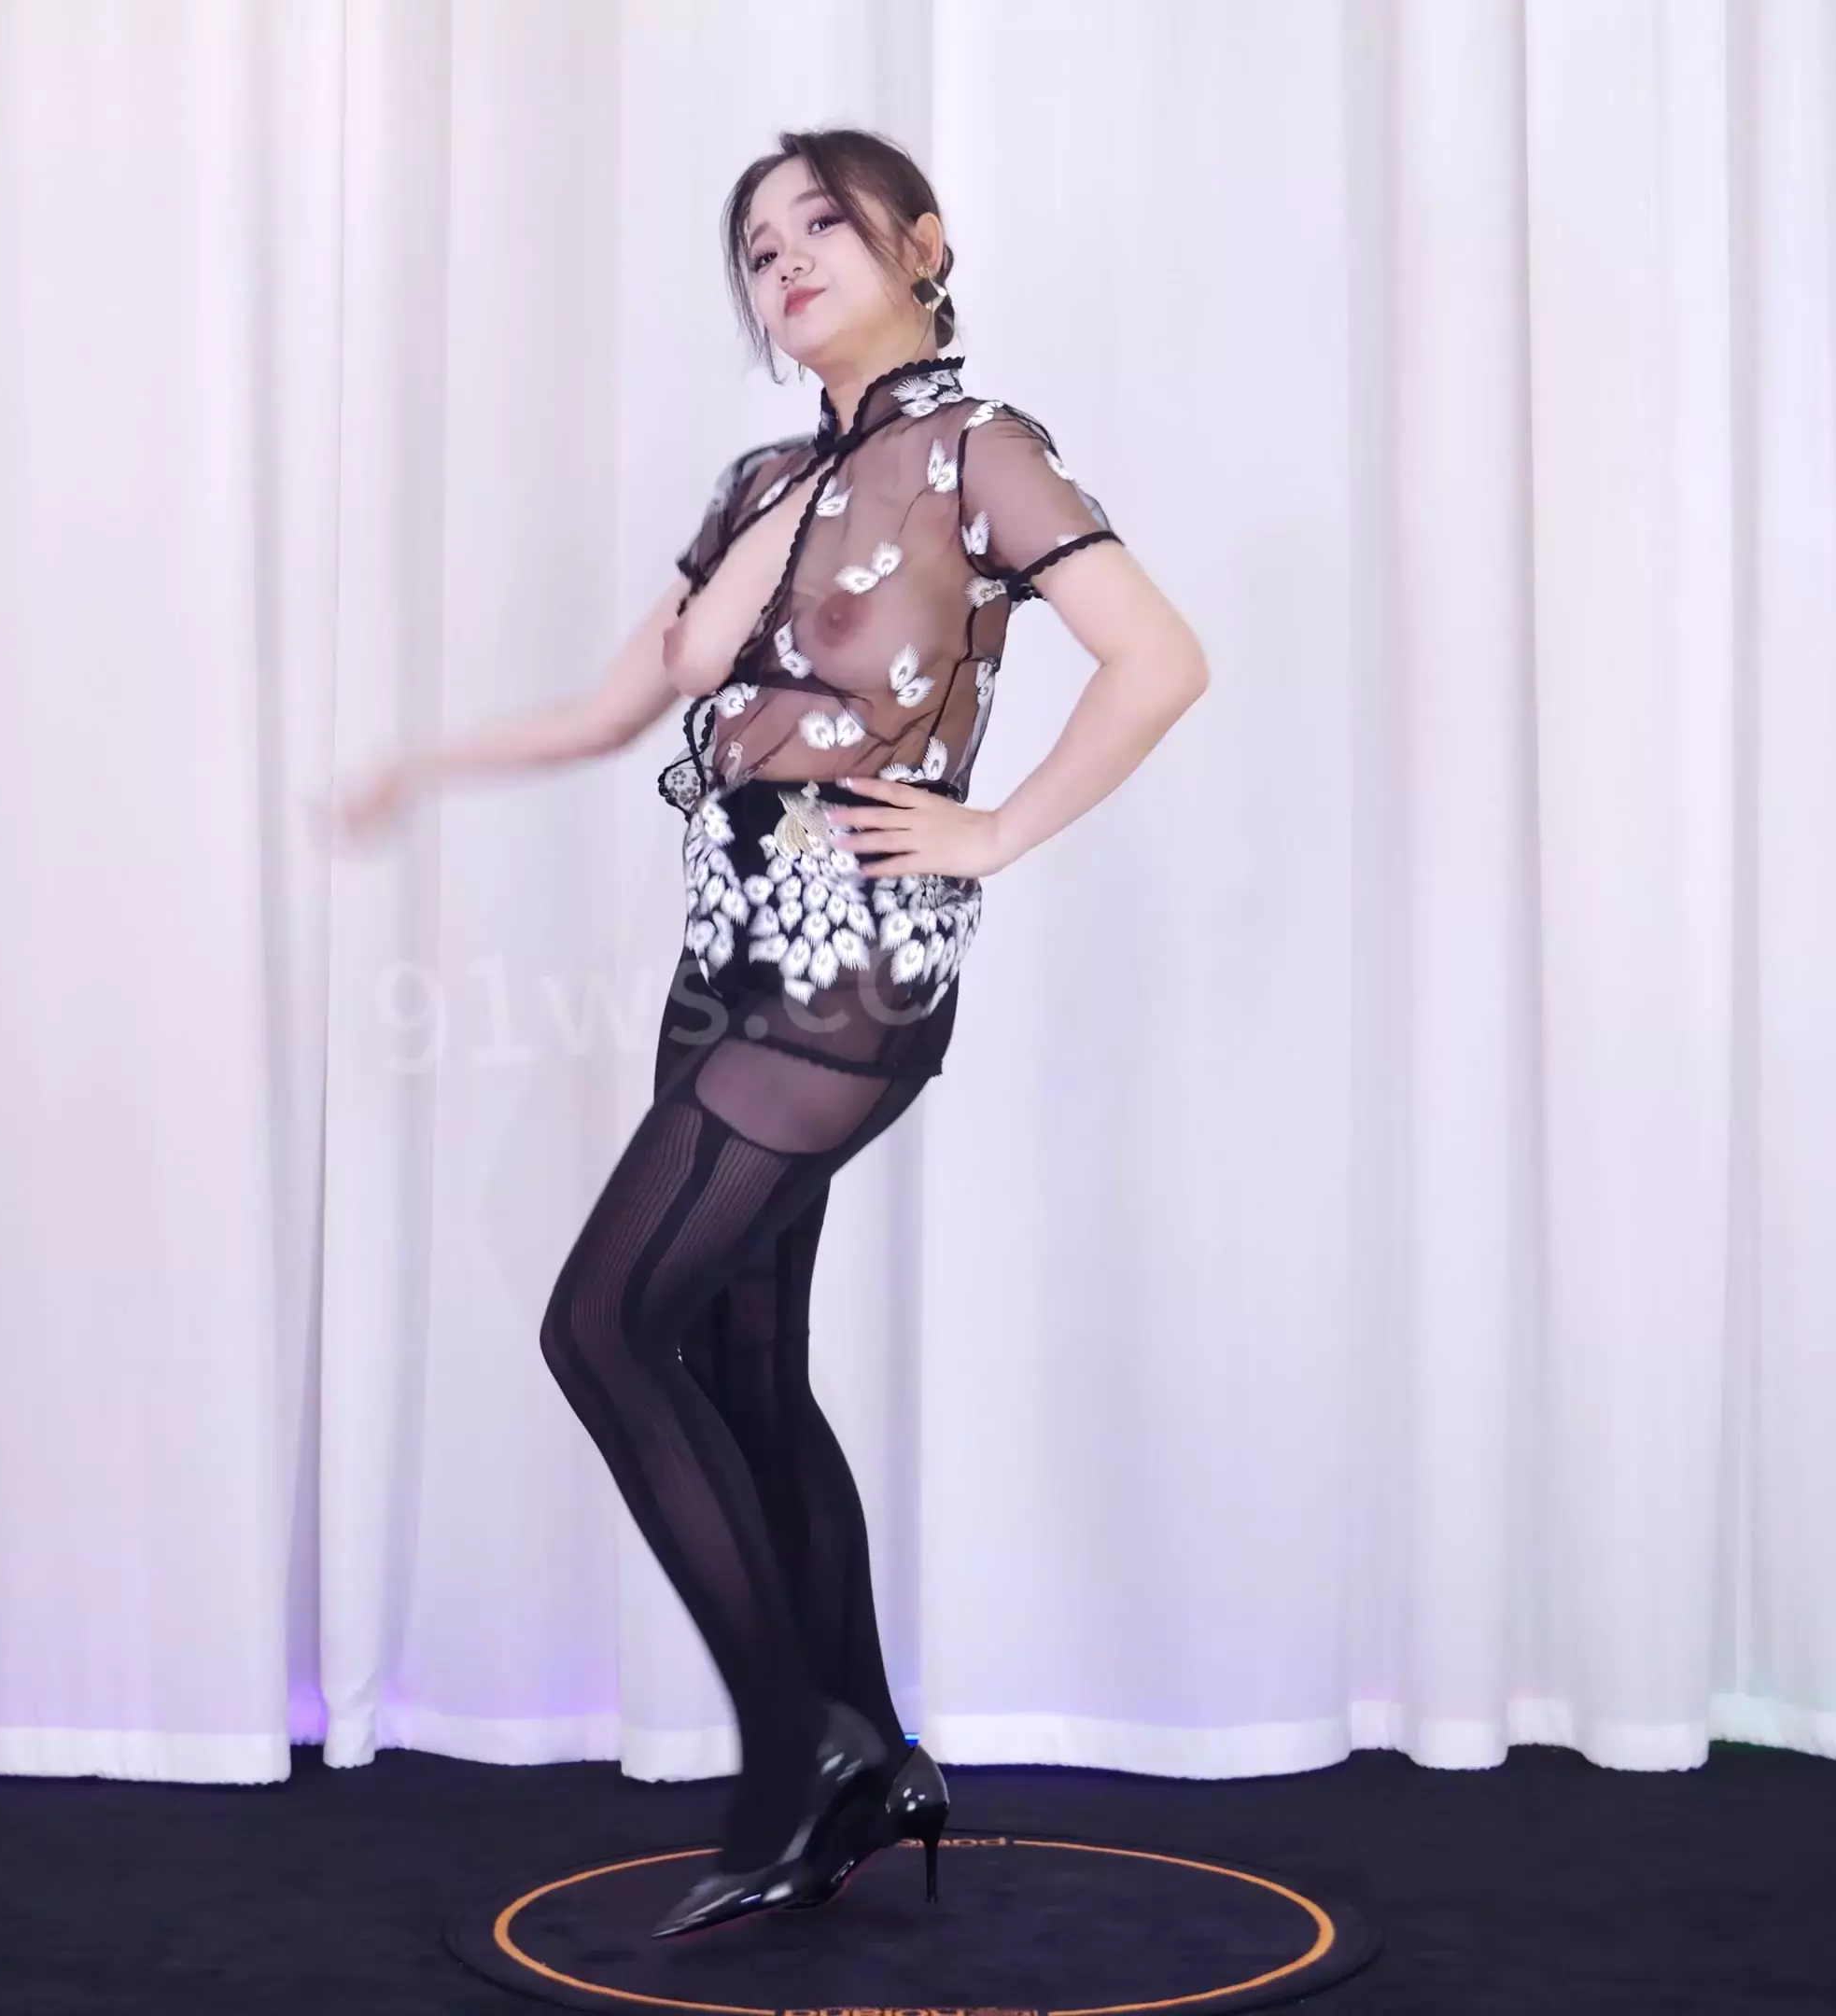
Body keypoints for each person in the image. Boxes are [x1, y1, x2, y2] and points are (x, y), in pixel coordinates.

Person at [323, 127, 1209, 1938]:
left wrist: (996, 830)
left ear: (922, 245)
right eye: (754, 245)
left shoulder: (981, 451)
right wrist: (422, 765)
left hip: (853, 949)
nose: (782, 258)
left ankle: (795, 1756)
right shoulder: (761, 481)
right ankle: (875, 1751)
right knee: (734, 1363)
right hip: (723, 940)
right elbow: (617, 709)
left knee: (601, 1323)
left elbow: (1159, 658)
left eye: (822, 222)